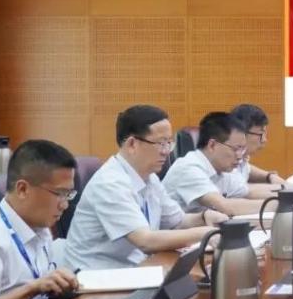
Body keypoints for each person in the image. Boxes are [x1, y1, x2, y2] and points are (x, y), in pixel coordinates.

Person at [64, 105, 228, 270]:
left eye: (169, 143)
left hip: (133, 268)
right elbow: (145, 241)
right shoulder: (110, 183)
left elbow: (176, 222)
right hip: (94, 275)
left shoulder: (150, 178)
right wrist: (205, 233)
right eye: (161, 143)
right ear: (132, 144)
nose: (166, 152)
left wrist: (204, 217)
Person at [0, 140, 79, 299]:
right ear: (22, 189)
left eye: (68, 194)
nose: (65, 205)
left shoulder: (40, 225)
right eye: (59, 194)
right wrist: (33, 288)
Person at [162, 112, 270, 216]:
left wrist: (280, 191)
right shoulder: (188, 168)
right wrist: (275, 204)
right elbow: (225, 207)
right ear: (212, 145)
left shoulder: (221, 169)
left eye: (242, 149)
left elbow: (248, 191)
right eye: (236, 149)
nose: (240, 156)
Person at [231, 103, 287, 198]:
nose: (264, 140)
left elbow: (247, 169)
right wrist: (285, 190)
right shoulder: (225, 159)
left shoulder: (241, 156)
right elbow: (241, 191)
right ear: (242, 133)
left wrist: (269, 176)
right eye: (260, 134)